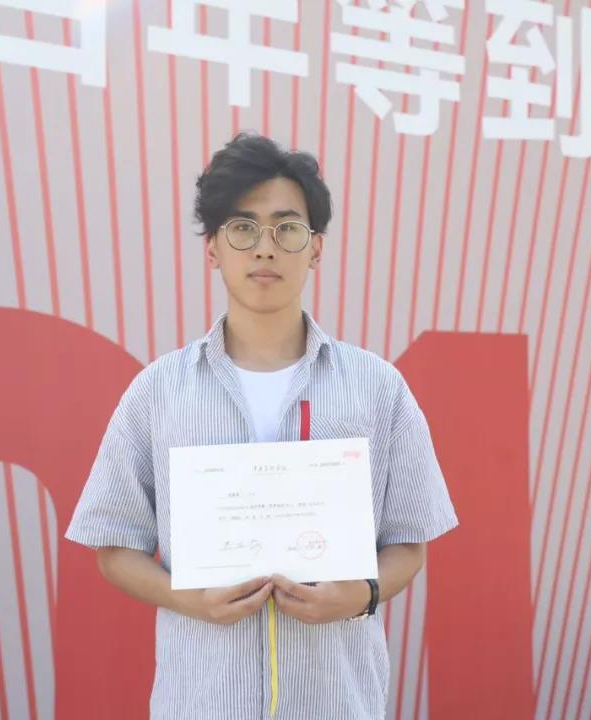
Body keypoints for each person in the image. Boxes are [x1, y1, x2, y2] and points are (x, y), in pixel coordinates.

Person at [65, 132, 458, 719]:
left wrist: (362, 594)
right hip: (203, 703)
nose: (265, 249)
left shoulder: (377, 388)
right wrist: (189, 600)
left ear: (316, 248)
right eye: (242, 228)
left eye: (286, 228)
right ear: (213, 249)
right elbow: (114, 544)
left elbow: (408, 539)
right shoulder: (159, 391)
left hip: (336, 702)